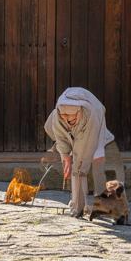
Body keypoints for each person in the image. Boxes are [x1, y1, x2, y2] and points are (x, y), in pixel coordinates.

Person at [43, 87, 115, 217]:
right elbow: (60, 137)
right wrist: (65, 156)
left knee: (82, 166)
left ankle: (83, 206)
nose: (65, 119)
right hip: (75, 131)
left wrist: (75, 163)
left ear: (79, 112)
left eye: (70, 117)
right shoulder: (57, 117)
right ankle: (76, 203)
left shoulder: (91, 117)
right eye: (62, 116)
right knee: (72, 163)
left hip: (92, 131)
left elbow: (81, 158)